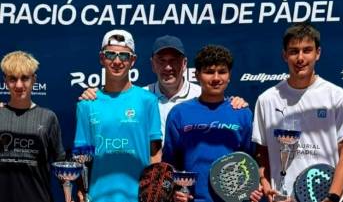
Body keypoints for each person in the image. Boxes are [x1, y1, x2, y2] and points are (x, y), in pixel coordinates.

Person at [251, 22, 343, 202]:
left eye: (307, 50)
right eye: (294, 51)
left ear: (318, 53)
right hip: (283, 199)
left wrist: (332, 197)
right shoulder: (267, 99)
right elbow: (262, 151)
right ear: (284, 55)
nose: (300, 58)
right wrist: (265, 182)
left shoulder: (337, 96)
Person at [79, 35, 247, 141]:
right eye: (162, 60)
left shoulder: (201, 94)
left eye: (173, 60)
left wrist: (235, 102)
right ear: (152, 64)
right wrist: (95, 94)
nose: (168, 67)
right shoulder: (141, 97)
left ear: (185, 64)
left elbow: (223, 108)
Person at [162, 45, 263, 202]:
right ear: (197, 75)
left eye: (222, 72)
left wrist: (253, 188)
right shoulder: (179, 113)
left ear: (229, 76)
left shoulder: (242, 113)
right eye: (209, 72)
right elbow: (169, 164)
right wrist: (175, 189)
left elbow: (250, 160)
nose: (216, 78)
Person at [73, 29, 162, 202]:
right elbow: (81, 157)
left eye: (124, 56)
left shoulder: (148, 101)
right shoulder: (86, 104)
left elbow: (155, 154)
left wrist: (152, 192)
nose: (116, 61)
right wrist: (81, 189)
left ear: (133, 60)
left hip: (138, 197)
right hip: (97, 197)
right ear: (101, 58)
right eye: (110, 54)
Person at [0, 51, 65, 202]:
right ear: (5, 81)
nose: (19, 85)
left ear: (34, 80)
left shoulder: (48, 117)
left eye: (24, 78)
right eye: (12, 79)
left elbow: (61, 164)